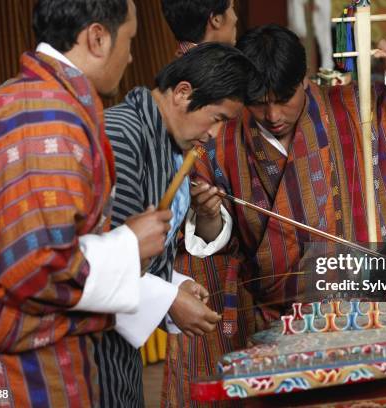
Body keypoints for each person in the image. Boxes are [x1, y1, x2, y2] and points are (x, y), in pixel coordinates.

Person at [163, 24, 386, 406]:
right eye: (258, 102)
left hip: (379, 307)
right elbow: (215, 240)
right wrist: (207, 215)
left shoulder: (361, 110)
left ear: (304, 80)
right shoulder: (220, 140)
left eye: (284, 98)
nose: (272, 115)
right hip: (283, 323)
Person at [0, 0, 202, 406]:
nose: (131, 55)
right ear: (97, 38)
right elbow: (38, 265)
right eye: (129, 40)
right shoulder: (47, 118)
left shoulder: (16, 100)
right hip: (26, 377)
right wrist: (129, 243)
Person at [94, 43, 262, 407]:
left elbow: (140, 254)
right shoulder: (122, 135)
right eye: (216, 118)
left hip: (118, 349)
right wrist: (168, 300)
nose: (214, 135)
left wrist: (176, 285)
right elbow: (102, 258)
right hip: (88, 349)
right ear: (183, 93)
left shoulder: (170, 144)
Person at [161, 0, 238, 55]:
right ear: (216, 19)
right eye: (232, 7)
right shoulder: (225, 74)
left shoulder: (179, 68)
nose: (236, 18)